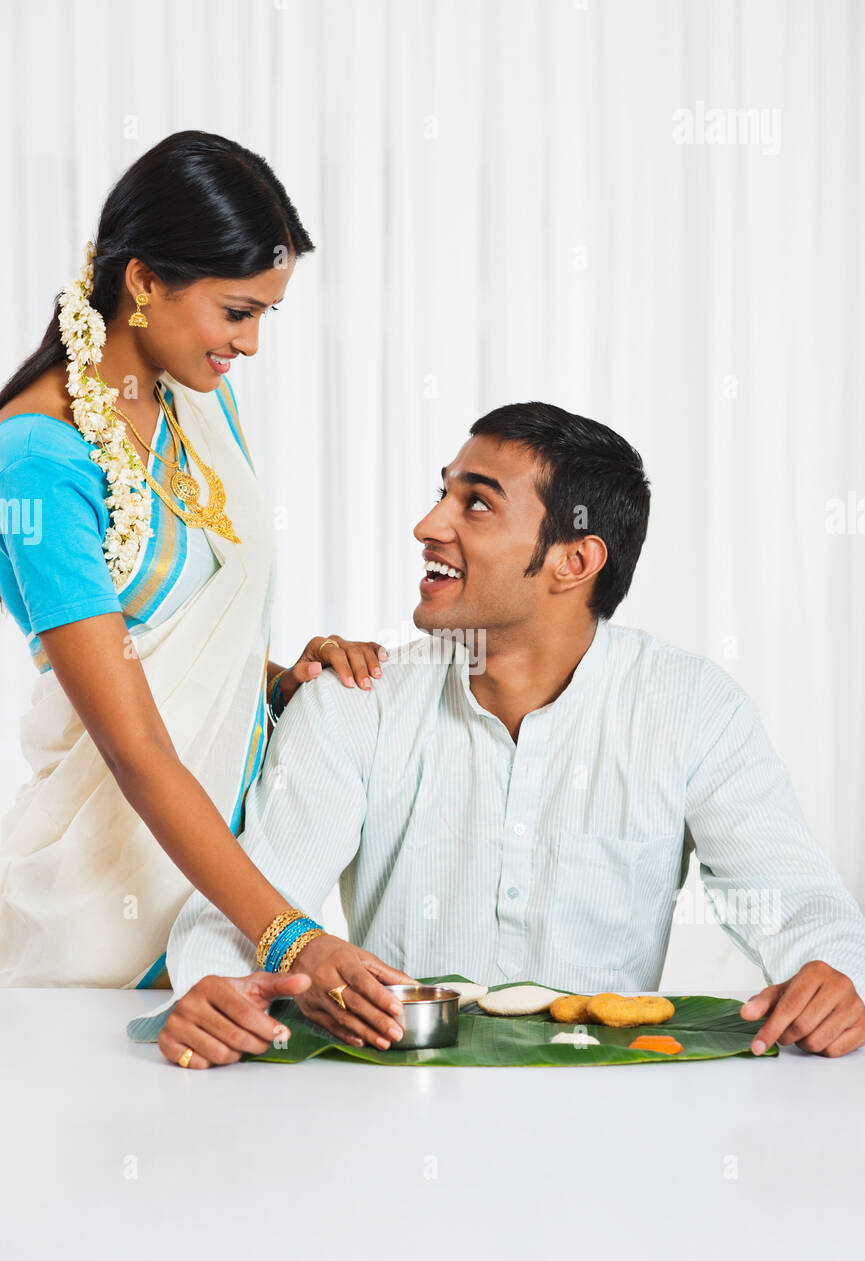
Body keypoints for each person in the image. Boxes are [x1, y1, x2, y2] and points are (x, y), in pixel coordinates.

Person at [152, 401, 865, 1066]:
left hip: (607, 1112)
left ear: (574, 561)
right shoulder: (355, 703)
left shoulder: (692, 708)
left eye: (476, 504)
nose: (427, 526)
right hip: (393, 1103)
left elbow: (794, 899)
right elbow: (245, 907)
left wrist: (833, 976)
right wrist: (217, 991)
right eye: (442, 493)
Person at [0, 130, 412, 1035]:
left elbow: (184, 639)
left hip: (218, 906)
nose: (251, 343)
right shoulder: (37, 459)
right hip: (98, 929)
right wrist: (292, 940)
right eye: (237, 311)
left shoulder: (196, 394)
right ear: (145, 281)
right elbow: (135, 742)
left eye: (266, 315)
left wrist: (279, 682)